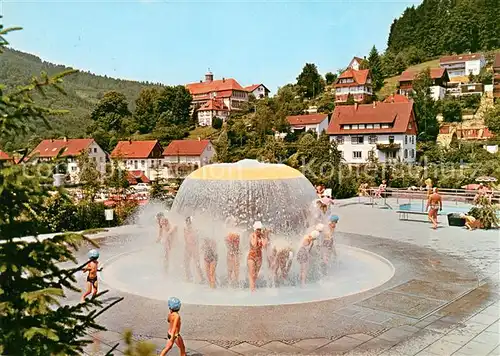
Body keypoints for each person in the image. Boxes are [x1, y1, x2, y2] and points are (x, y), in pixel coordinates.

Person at [183, 216, 203, 283]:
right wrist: (186, 247)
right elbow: (185, 239)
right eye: (186, 222)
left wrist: (197, 248)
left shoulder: (195, 229)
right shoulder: (185, 229)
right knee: (186, 263)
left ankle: (202, 278)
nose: (187, 223)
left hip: (194, 248)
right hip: (188, 247)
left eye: (188, 222)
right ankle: (188, 277)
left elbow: (197, 240)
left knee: (197, 263)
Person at [247, 221, 266, 292]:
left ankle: (253, 289)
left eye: (260, 229)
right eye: (257, 229)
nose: (259, 231)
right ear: (254, 229)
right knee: (252, 274)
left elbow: (264, 245)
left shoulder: (262, 237)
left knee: (255, 275)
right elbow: (254, 245)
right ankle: (252, 291)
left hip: (259, 257)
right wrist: (255, 235)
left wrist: (265, 236)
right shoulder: (252, 235)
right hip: (251, 257)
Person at [225, 216, 241, 286]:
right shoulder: (227, 232)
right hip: (231, 252)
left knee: (236, 269)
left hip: (235, 252)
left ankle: (235, 283)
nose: (233, 224)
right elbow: (226, 243)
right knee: (230, 269)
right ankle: (230, 283)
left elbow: (237, 244)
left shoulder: (237, 232)